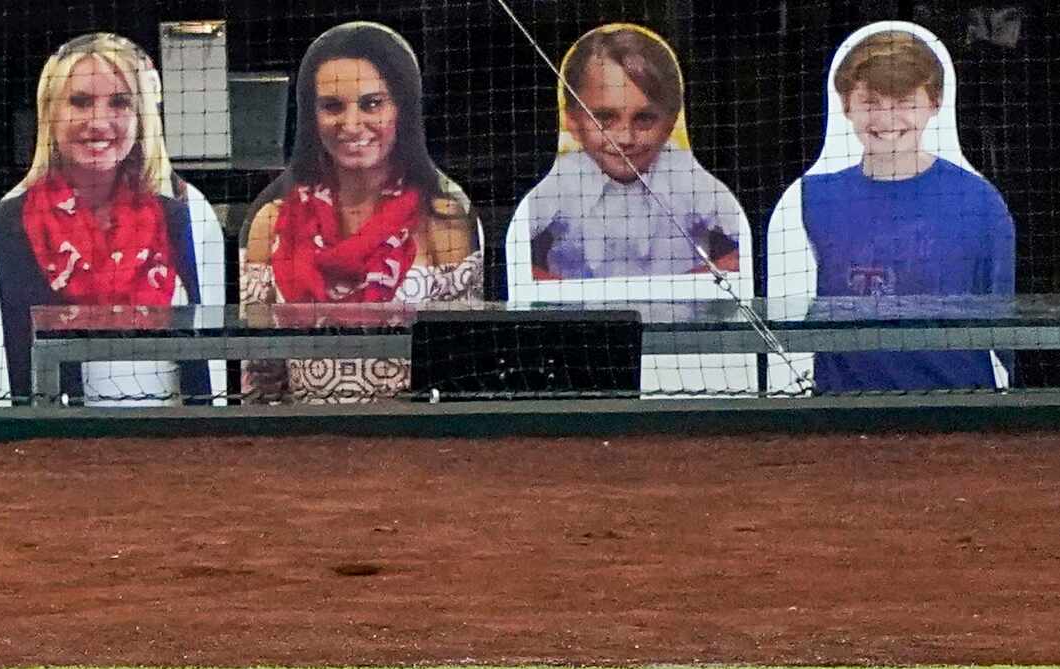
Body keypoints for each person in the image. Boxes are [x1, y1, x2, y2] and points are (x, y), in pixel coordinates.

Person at [239, 22, 482, 404]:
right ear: (310, 116)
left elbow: (461, 375)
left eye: (372, 104)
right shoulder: (271, 222)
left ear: (402, 109)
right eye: (332, 106)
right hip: (301, 447)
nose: (351, 125)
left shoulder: (443, 222)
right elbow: (259, 382)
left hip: (412, 449)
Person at [0, 33, 224, 405]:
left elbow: (214, 362)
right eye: (80, 101)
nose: (98, 121)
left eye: (120, 103)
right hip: (56, 448)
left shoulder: (188, 210)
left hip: (173, 445)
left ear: (142, 118)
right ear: (50, 113)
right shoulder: (8, 221)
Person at [773, 23, 1016, 394]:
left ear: (934, 104)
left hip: (959, 411)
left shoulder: (980, 201)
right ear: (846, 106)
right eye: (871, 103)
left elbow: (1006, 330)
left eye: (904, 103)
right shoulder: (810, 199)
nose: (886, 120)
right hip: (843, 413)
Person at [514, 26, 745, 283]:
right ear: (572, 121)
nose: (625, 138)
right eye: (604, 118)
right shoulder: (562, 180)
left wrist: (677, 287)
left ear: (670, 122)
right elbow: (511, 258)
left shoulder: (686, 175)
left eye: (644, 118)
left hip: (678, 320)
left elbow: (748, 249)